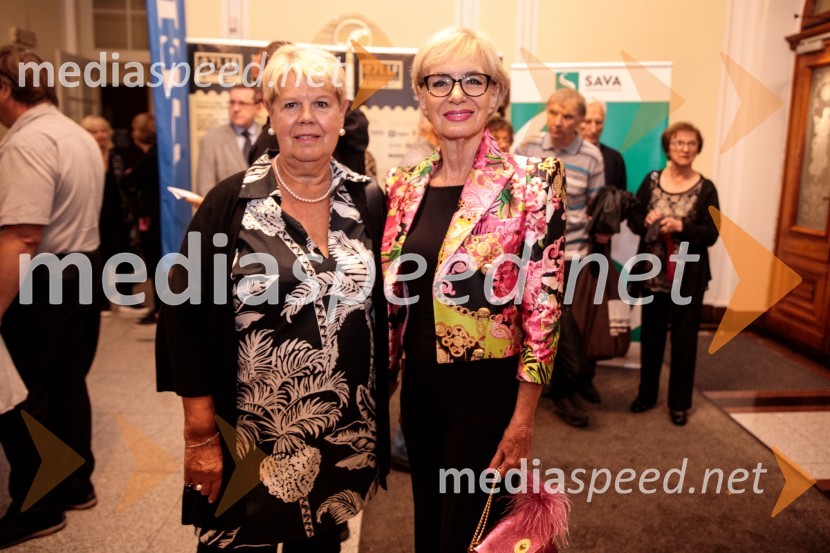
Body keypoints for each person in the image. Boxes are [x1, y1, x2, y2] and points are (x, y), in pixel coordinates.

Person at [156, 44, 390, 552]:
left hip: (339, 443)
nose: (307, 118)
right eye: (290, 104)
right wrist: (199, 436)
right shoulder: (230, 203)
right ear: (270, 113)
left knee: (321, 544)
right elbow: (182, 320)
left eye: (322, 103)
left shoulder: (368, 200)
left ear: (344, 113)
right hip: (247, 443)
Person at [381, 28, 567, 552]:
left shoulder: (533, 180)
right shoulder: (404, 185)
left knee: (476, 536)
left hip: (487, 398)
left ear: (495, 94)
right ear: (421, 96)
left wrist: (524, 418)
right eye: (439, 82)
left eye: (472, 81)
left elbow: (544, 304)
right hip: (419, 393)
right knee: (428, 527)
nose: (456, 95)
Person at [0, 45, 104, 547]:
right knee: (68, 380)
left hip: (43, 275)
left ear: (4, 88)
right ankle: (76, 483)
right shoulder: (76, 134)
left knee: (26, 391)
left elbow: (22, 236)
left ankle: (37, 505)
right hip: (84, 269)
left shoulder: (28, 142)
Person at [516, 88, 608, 428]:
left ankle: (566, 388)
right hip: (531, 255)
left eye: (567, 116)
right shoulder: (528, 147)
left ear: (580, 122)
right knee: (536, 324)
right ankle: (547, 388)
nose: (557, 122)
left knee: (566, 322)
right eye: (553, 112)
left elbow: (596, 208)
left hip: (573, 256)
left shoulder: (592, 157)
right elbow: (513, 195)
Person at [628, 122, 719, 426]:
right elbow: (635, 218)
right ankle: (646, 395)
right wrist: (647, 220)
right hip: (653, 274)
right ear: (668, 147)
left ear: (697, 149)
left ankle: (679, 404)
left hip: (688, 279)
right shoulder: (652, 180)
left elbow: (712, 234)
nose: (684, 148)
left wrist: (682, 227)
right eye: (678, 142)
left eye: (691, 143)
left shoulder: (706, 188)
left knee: (684, 342)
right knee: (652, 338)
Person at [80, 115, 133, 310]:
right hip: (93, 213)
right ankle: (101, 301)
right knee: (99, 255)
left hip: (118, 213)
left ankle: (125, 296)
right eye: (94, 131)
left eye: (103, 130)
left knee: (123, 253)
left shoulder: (117, 156)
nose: (100, 135)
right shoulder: (82, 156)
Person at [122, 113, 161, 324]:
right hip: (156, 216)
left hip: (152, 218)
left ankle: (159, 308)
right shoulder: (157, 156)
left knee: (156, 262)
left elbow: (128, 181)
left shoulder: (150, 159)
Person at [195, 85, 261, 198]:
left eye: (242, 103)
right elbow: (205, 189)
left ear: (258, 108)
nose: (235, 109)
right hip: (225, 212)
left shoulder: (269, 136)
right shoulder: (212, 139)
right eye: (232, 103)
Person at [581, 98, 627, 190]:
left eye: (598, 122)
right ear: (578, 121)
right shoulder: (563, 157)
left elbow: (620, 200)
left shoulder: (615, 159)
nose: (593, 129)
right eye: (588, 121)